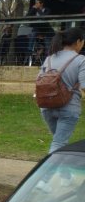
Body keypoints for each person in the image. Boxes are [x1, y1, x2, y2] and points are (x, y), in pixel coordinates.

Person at [37, 27, 85, 161]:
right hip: (68, 109)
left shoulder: (49, 58)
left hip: (46, 107)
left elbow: (39, 80)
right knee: (59, 143)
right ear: (78, 41)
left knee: (58, 141)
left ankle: (65, 176)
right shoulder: (80, 60)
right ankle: (44, 179)